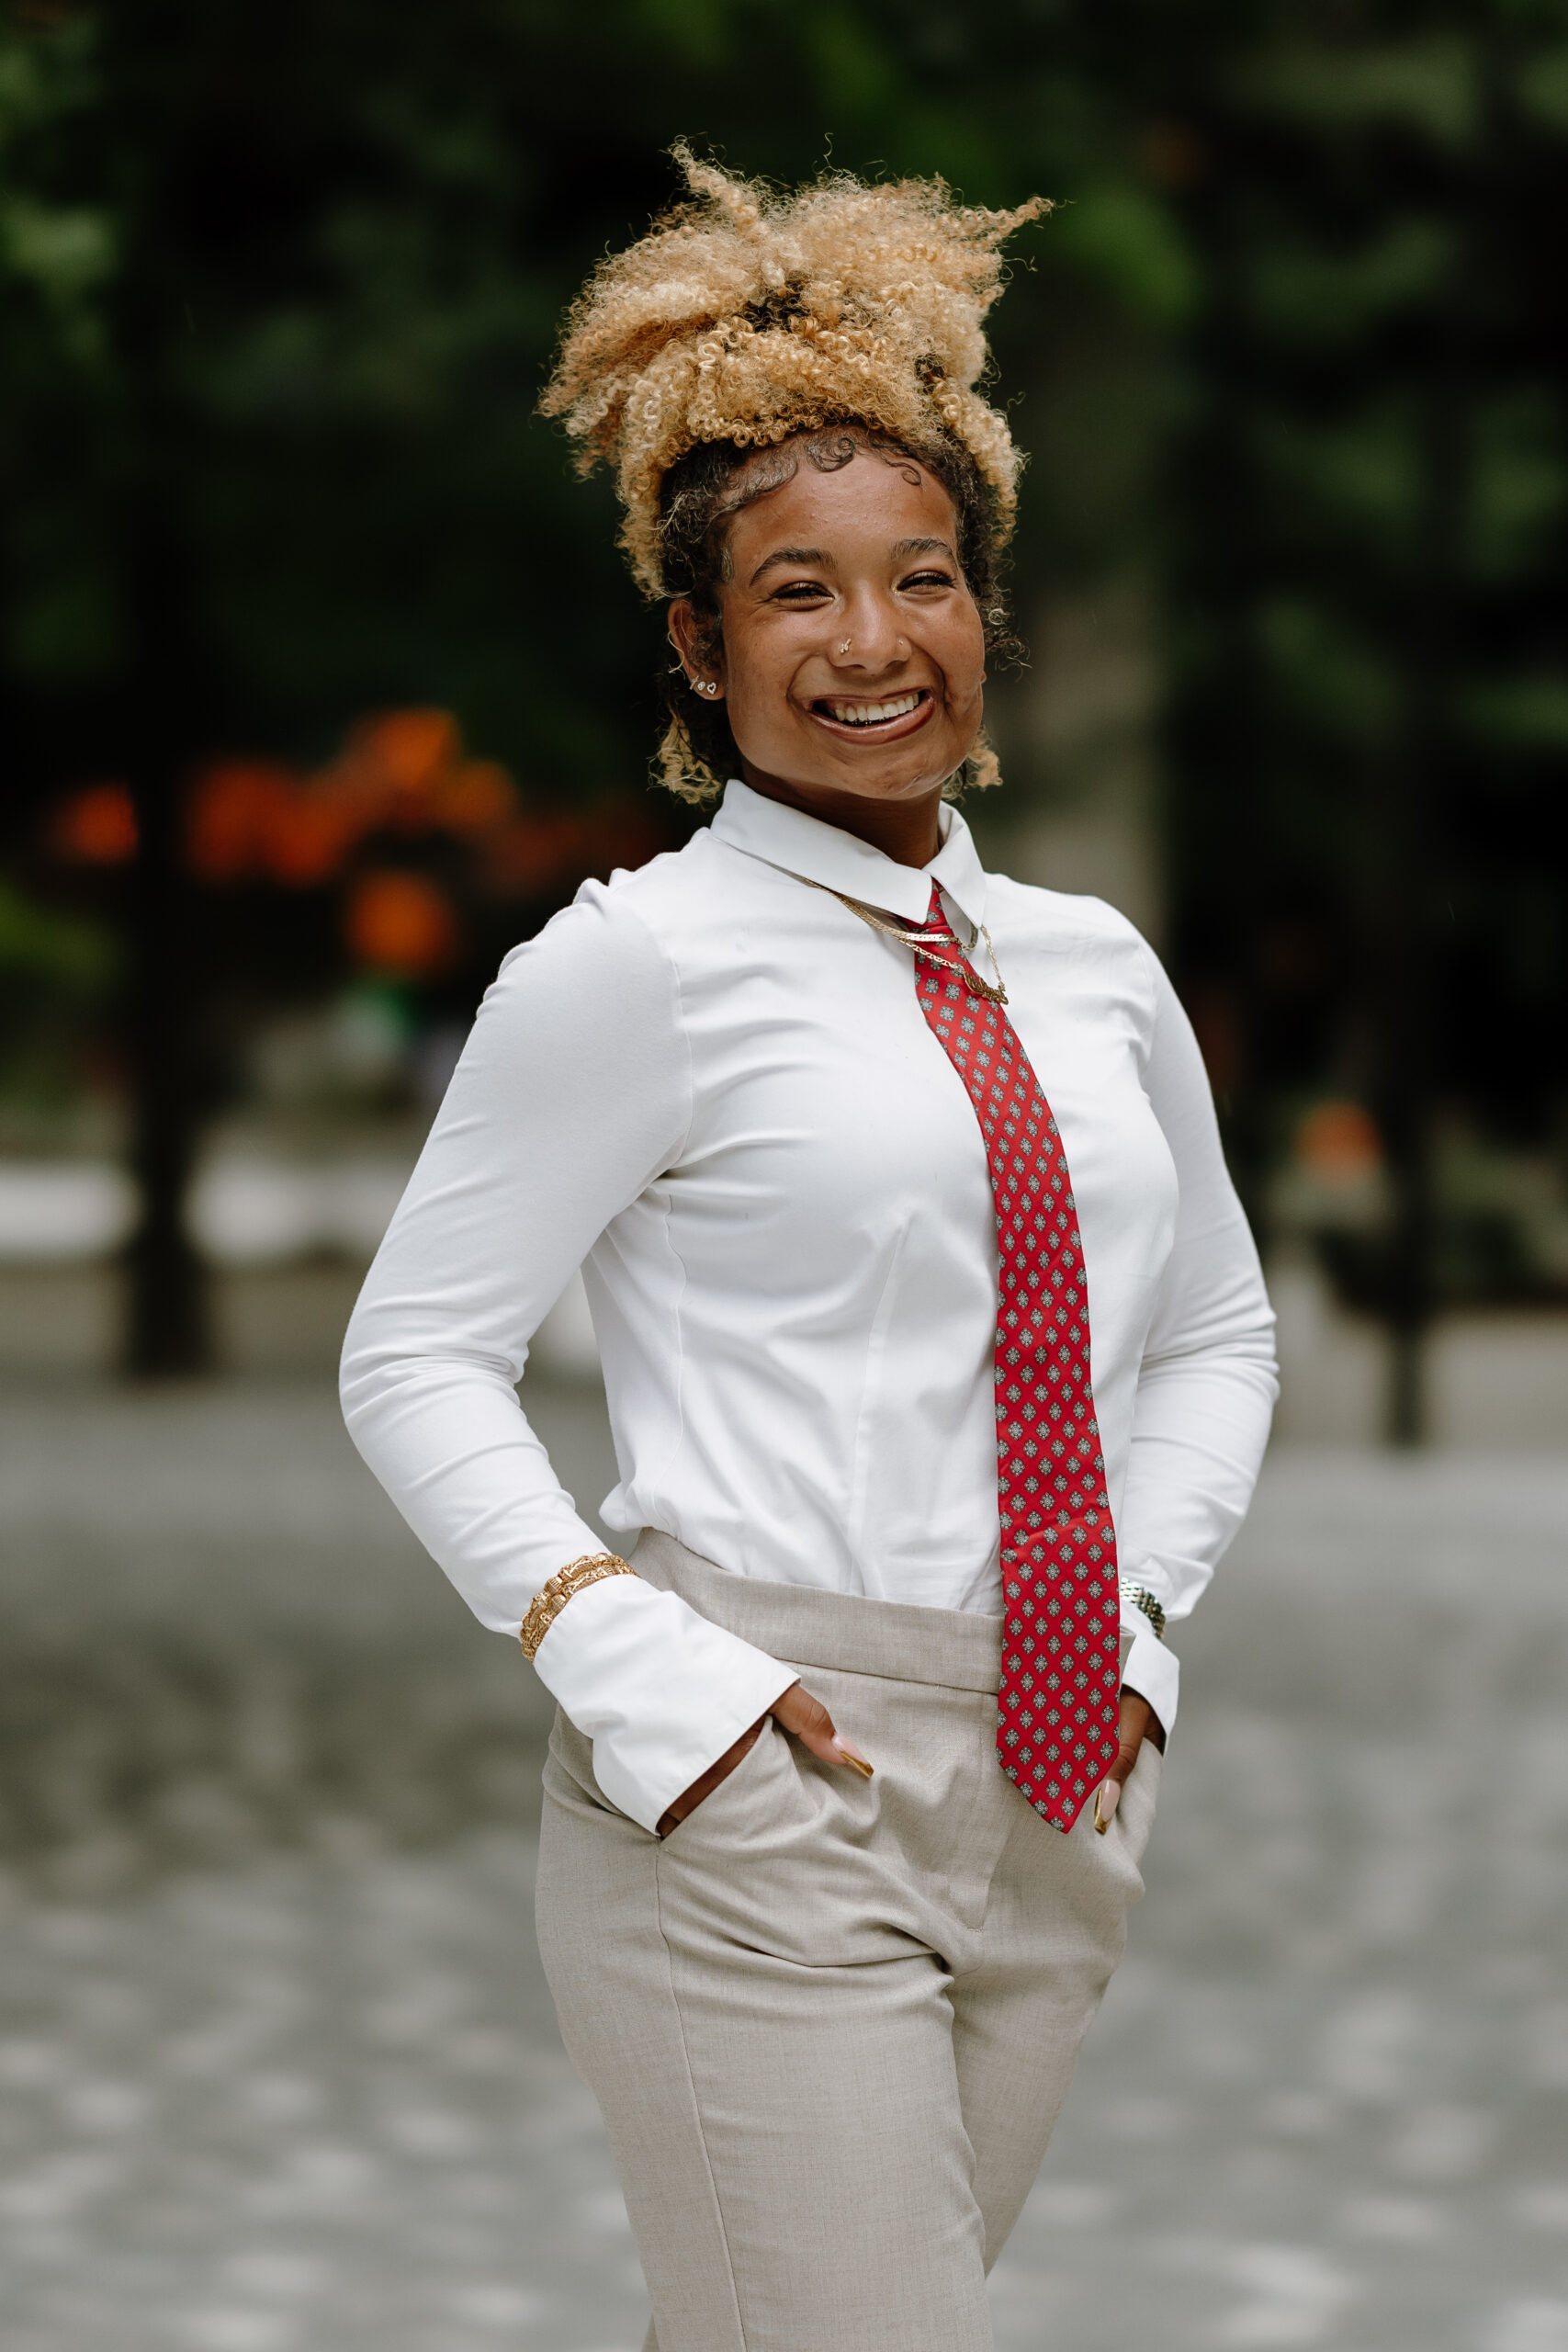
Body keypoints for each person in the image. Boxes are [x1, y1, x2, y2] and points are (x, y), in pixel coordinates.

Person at [341, 152, 1278, 2352]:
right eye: (794, 589)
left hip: (1058, 1778)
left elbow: (1214, 1324)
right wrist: (635, 1664)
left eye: (921, 576)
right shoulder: (632, 968)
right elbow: (411, 1356)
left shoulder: (1092, 963)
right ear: (695, 638)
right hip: (758, 1783)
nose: (871, 643)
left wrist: (1137, 1611)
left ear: (983, 604)